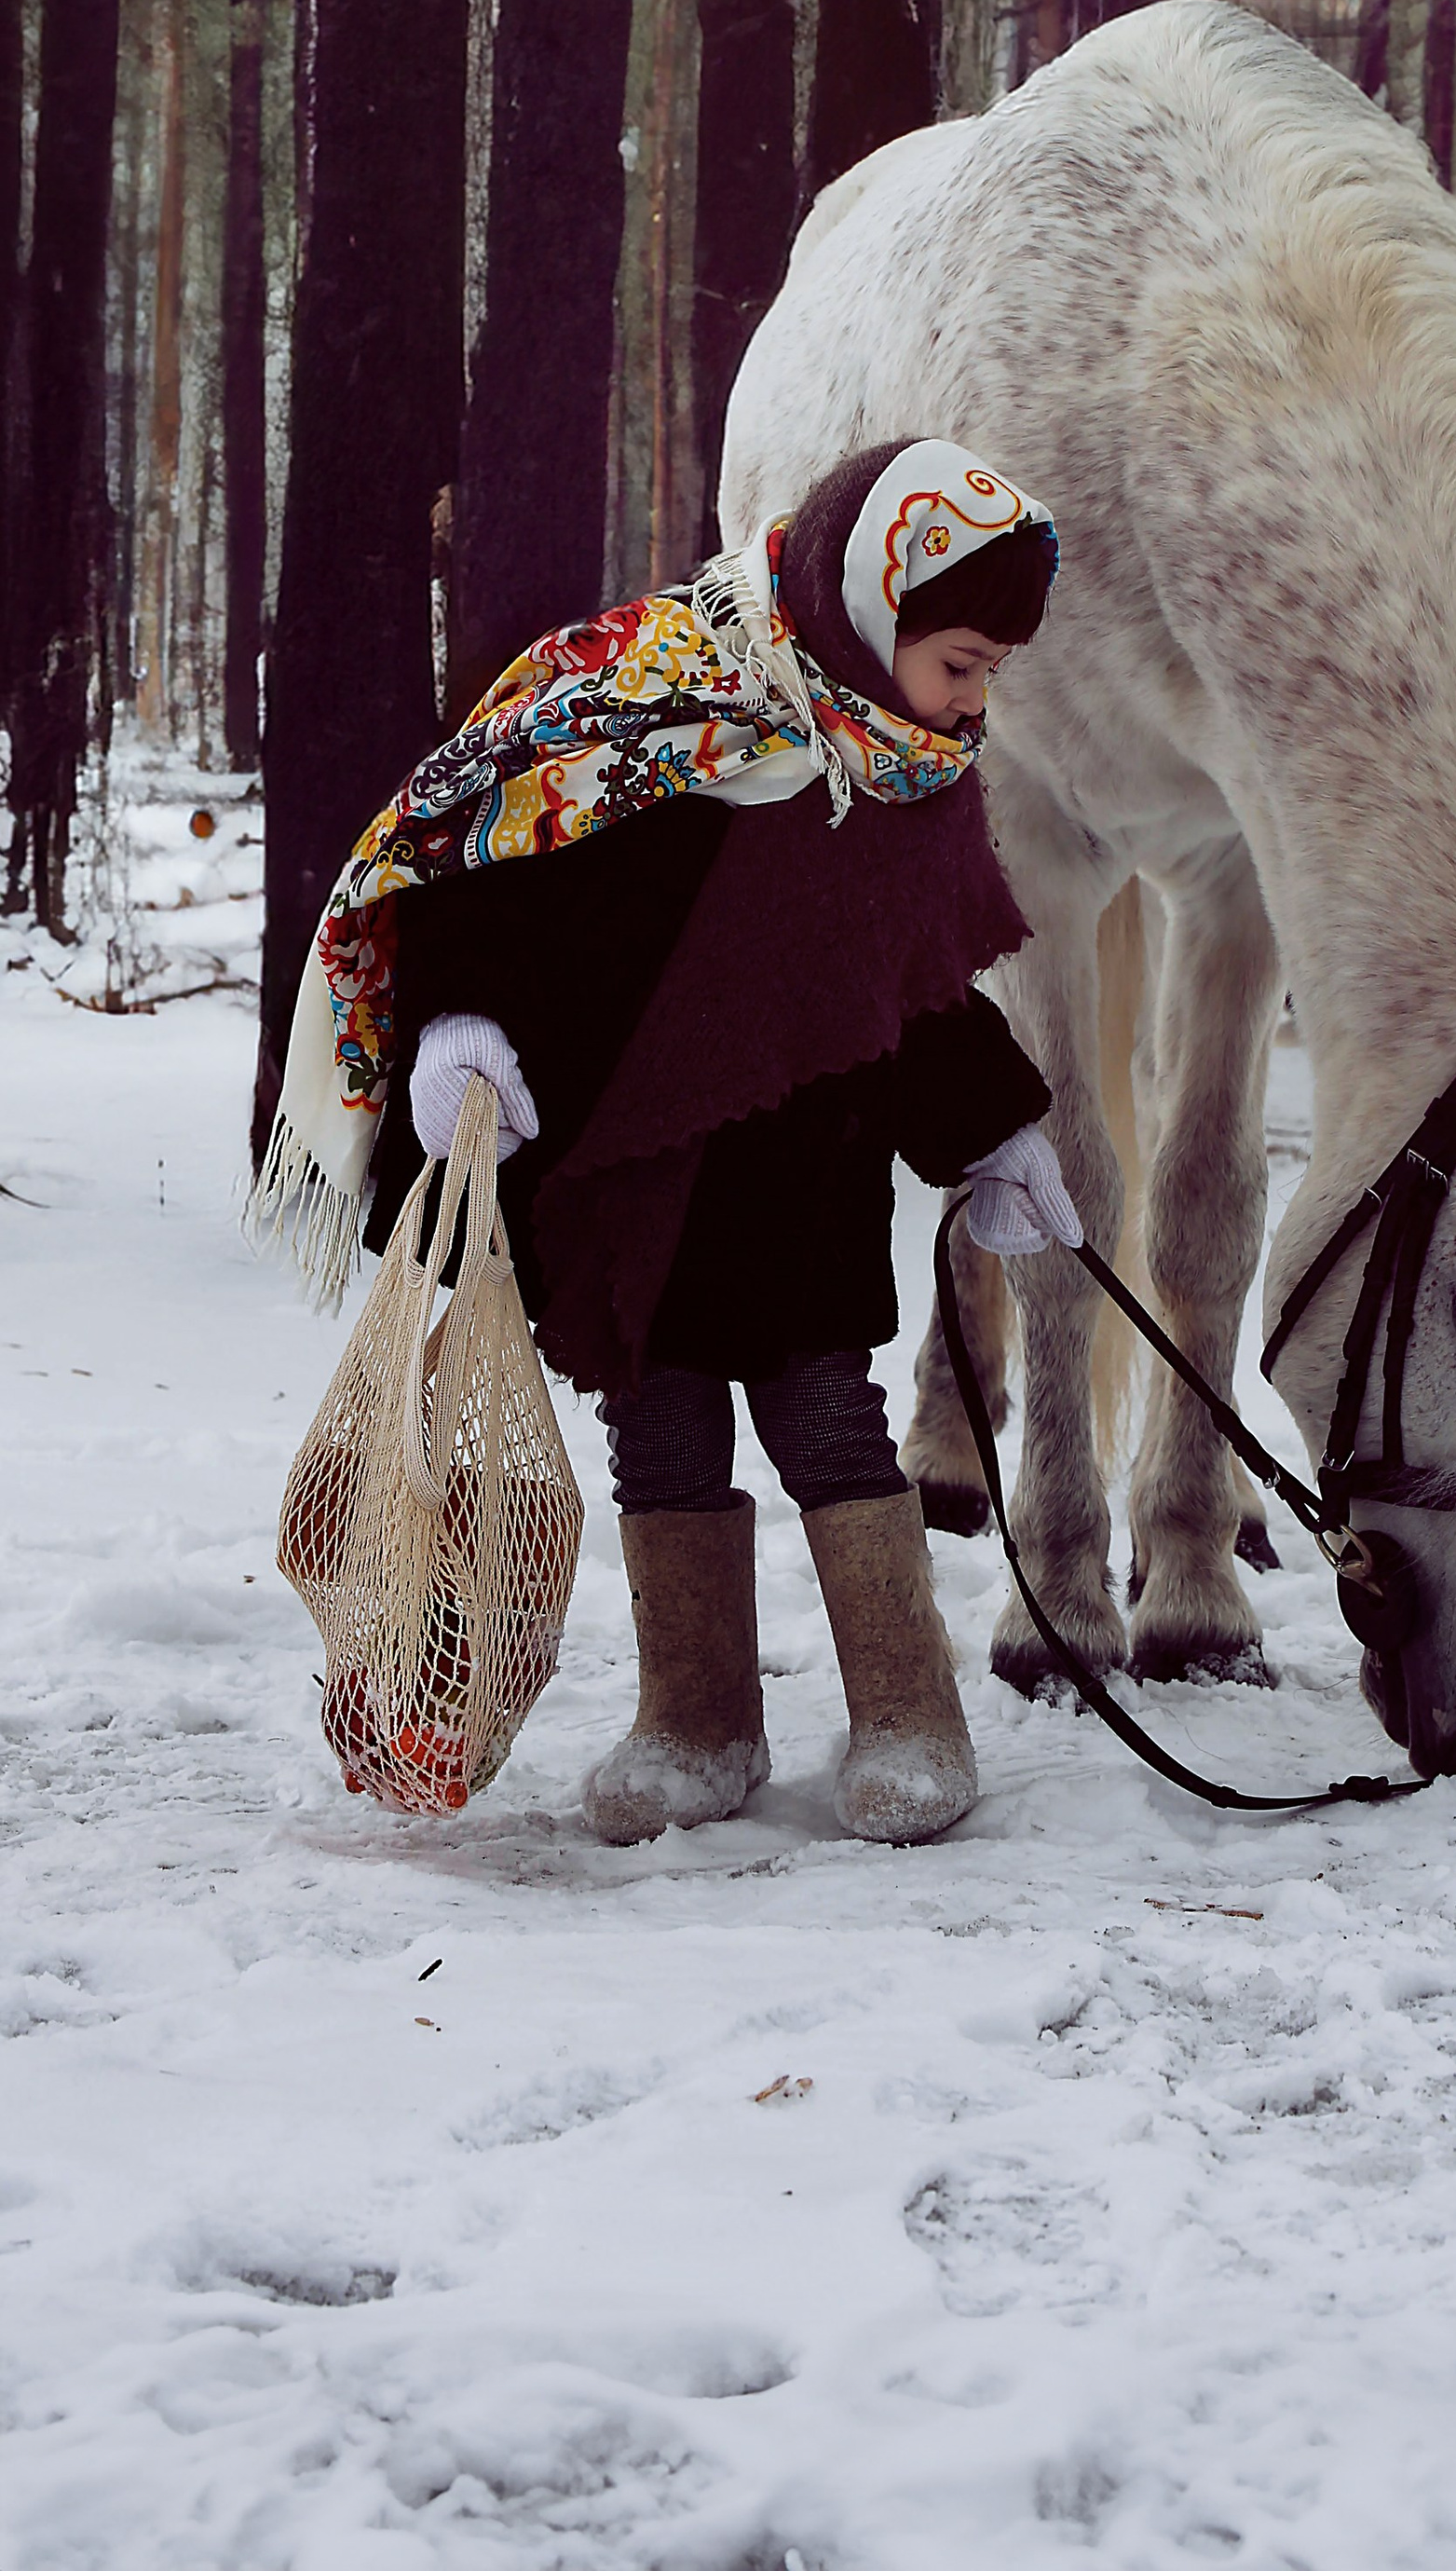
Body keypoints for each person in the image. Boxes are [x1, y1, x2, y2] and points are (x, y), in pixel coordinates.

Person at [251, 440, 1080, 1848]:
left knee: (827, 1417)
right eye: (962, 657)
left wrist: (993, 1129)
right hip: (630, 1177)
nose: (975, 695)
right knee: (664, 1428)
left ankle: (907, 1712)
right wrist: (473, 1024)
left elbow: (917, 981)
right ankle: (696, 1717)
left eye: (994, 666)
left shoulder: (899, 764)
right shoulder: (646, 699)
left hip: (804, 1171)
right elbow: (506, 857)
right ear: (870, 601)